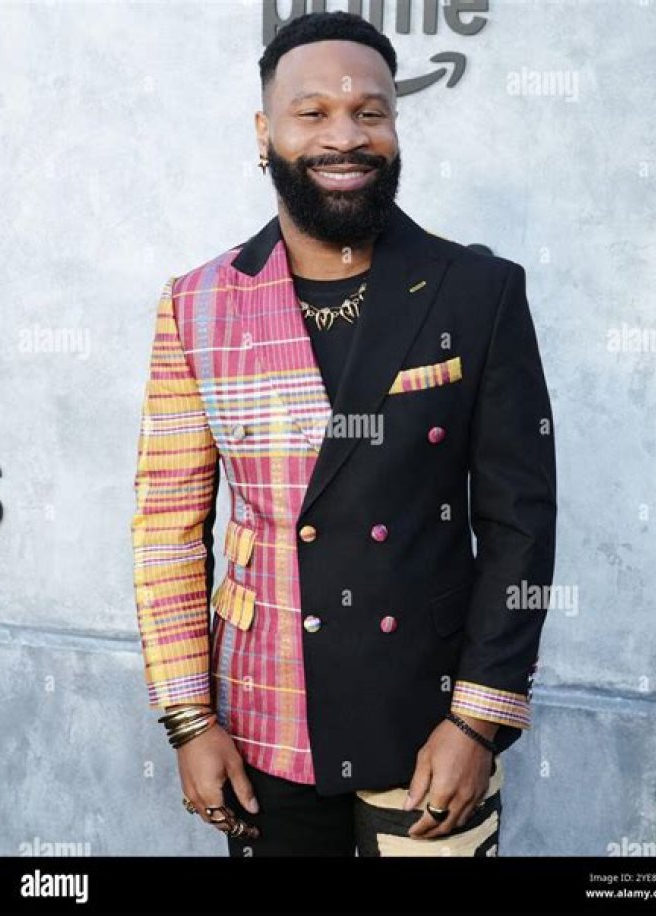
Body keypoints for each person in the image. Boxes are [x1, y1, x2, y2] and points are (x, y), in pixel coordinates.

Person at [130, 10, 556, 857]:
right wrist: (188, 719)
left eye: (370, 112)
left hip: (430, 714)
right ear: (265, 134)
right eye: (313, 112)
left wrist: (478, 720)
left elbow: (520, 522)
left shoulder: (476, 291)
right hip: (263, 718)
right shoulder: (198, 304)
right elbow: (167, 527)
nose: (345, 136)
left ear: (395, 128)